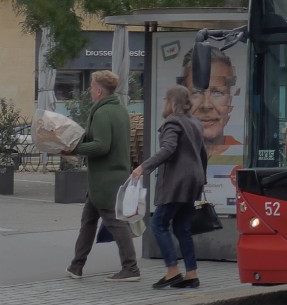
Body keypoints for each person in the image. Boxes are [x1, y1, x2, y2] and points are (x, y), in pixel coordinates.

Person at [65, 70, 141, 282]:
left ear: (98, 90)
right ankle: (76, 266)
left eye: (91, 87)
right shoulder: (119, 110)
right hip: (109, 178)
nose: (90, 90)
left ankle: (131, 268)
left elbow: (101, 145)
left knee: (116, 223)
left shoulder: (103, 113)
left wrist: (75, 148)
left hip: (105, 181)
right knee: (88, 221)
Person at [131, 85, 206, 289]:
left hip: (178, 181)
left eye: (166, 99)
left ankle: (172, 271)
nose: (164, 103)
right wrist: (202, 177)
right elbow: (202, 153)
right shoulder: (194, 122)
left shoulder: (172, 122)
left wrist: (143, 166)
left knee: (158, 224)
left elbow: (168, 148)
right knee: (182, 227)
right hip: (194, 180)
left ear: (172, 103)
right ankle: (191, 273)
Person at [180, 48, 241, 157]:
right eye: (196, 92)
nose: (206, 105)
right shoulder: (171, 155)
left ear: (230, 99)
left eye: (217, 93)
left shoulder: (243, 156)